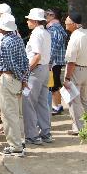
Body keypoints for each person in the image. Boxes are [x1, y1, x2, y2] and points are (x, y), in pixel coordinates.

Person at [0, 14, 30, 156]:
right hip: (18, 80)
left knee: (9, 114)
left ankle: (15, 146)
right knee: (18, 114)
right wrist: (24, 79)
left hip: (9, 78)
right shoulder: (18, 39)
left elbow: (10, 64)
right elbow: (25, 62)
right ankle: (20, 141)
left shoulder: (5, 42)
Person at [22, 9, 53, 146]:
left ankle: (32, 135)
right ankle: (46, 133)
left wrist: (26, 72)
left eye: (29, 19)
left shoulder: (36, 34)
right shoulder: (46, 32)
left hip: (35, 70)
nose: (27, 21)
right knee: (42, 102)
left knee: (28, 102)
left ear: (35, 21)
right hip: (45, 69)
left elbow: (36, 55)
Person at [45, 9, 68, 116]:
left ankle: (57, 106)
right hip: (57, 61)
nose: (44, 17)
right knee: (55, 84)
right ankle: (57, 105)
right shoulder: (59, 28)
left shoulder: (53, 29)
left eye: (46, 15)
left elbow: (53, 47)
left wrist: (48, 62)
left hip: (53, 62)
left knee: (53, 85)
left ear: (52, 15)